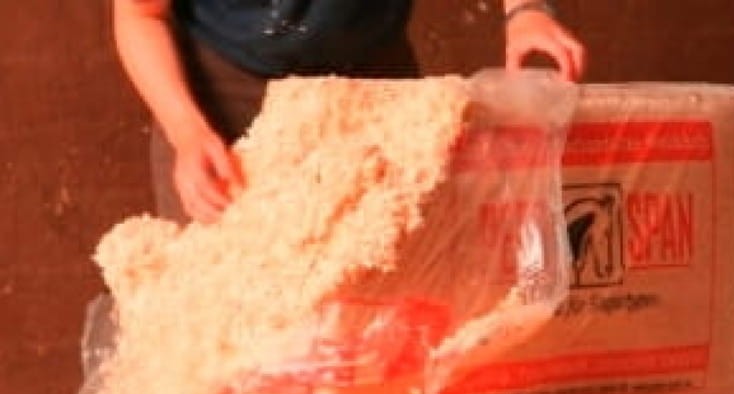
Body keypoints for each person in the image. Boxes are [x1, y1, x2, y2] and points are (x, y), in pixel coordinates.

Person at [113, 0, 586, 225]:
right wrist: (187, 131)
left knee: (390, 298)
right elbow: (140, 15)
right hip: (223, 90)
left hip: (372, 78)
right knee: (228, 328)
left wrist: (526, 12)